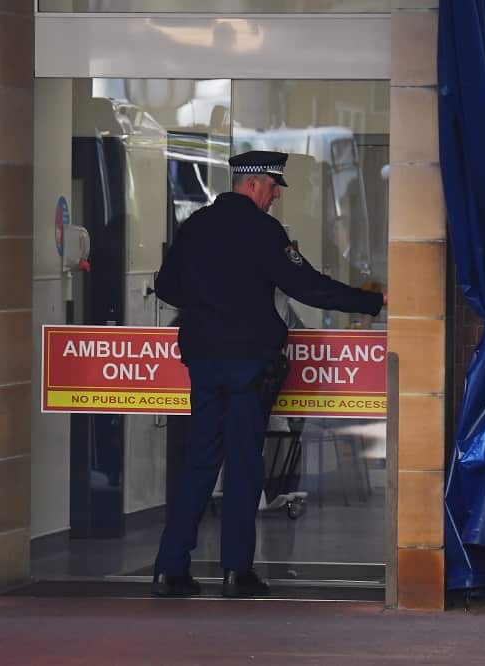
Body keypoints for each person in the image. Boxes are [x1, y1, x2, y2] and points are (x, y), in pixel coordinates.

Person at [151, 150, 387, 598]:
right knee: (243, 464)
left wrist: (207, 299)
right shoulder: (263, 230)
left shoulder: (195, 225)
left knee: (199, 462)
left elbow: (166, 286)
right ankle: (237, 572)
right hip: (248, 364)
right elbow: (308, 286)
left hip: (202, 360)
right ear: (253, 184)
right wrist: (372, 302)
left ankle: (169, 569)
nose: (277, 194)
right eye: (274, 186)